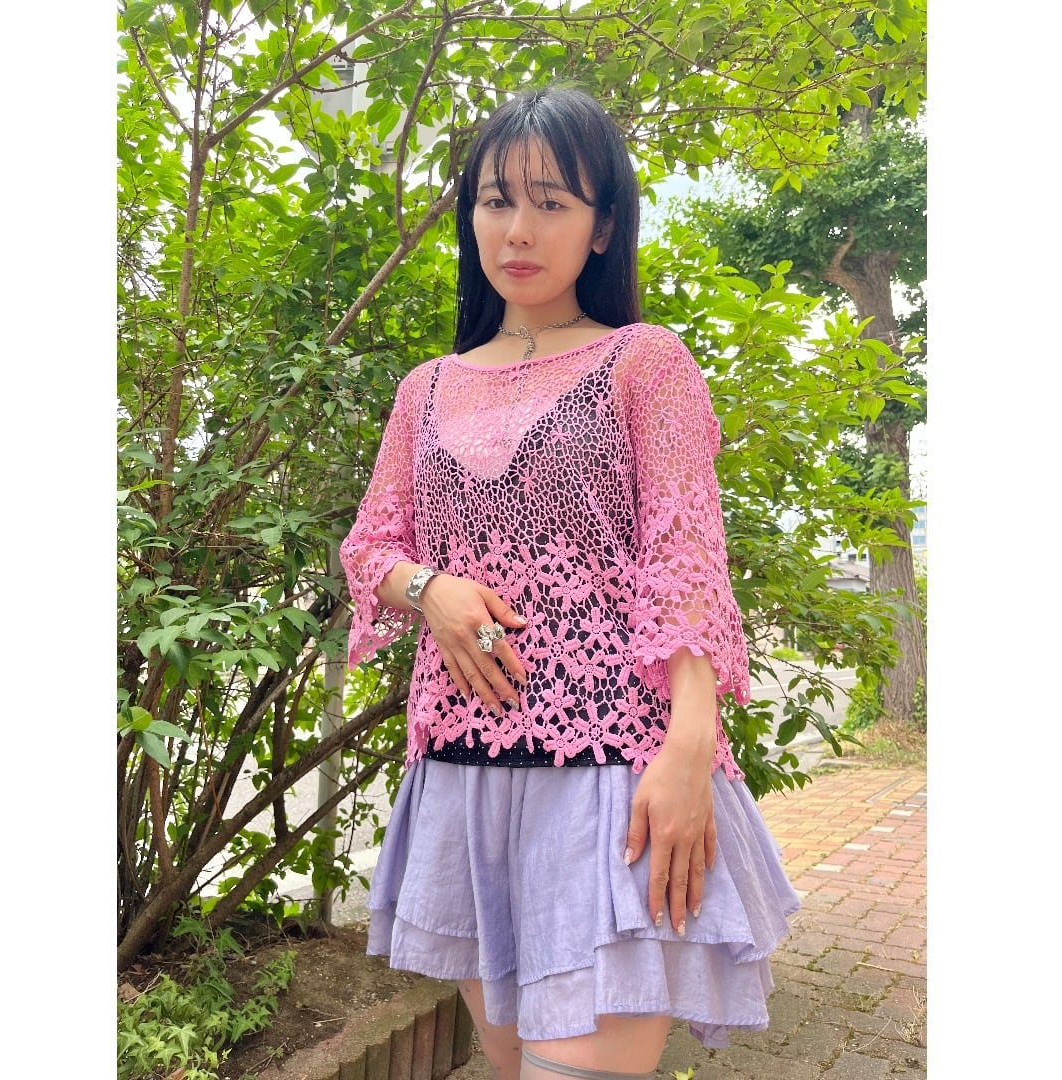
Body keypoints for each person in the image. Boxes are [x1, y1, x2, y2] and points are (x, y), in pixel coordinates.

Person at [339, 86, 799, 1080]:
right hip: (462, 777)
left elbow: (685, 560)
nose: (518, 228)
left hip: (613, 778)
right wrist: (429, 589)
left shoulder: (645, 363)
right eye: (496, 199)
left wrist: (688, 750)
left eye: (551, 202)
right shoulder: (425, 389)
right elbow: (370, 546)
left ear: (603, 226)